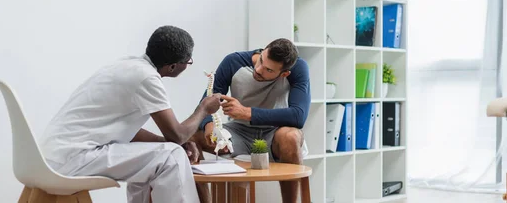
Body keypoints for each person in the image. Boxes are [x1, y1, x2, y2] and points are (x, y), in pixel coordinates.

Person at [37, 25, 222, 203]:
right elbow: (177, 135)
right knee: (172, 155)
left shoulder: (126, 65)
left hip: (52, 156)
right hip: (72, 159)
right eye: (188, 61)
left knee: (157, 156)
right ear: (172, 67)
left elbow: (125, 131)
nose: (188, 65)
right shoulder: (147, 78)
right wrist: (204, 108)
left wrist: (165, 142)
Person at [190, 38, 311, 203]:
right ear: (263, 51)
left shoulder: (298, 68)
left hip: (275, 134)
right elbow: (205, 103)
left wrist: (248, 112)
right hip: (238, 132)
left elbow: (298, 116)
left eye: (268, 70)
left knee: (291, 136)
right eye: (261, 60)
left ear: (284, 74)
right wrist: (209, 125)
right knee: (192, 136)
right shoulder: (233, 61)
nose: (259, 69)